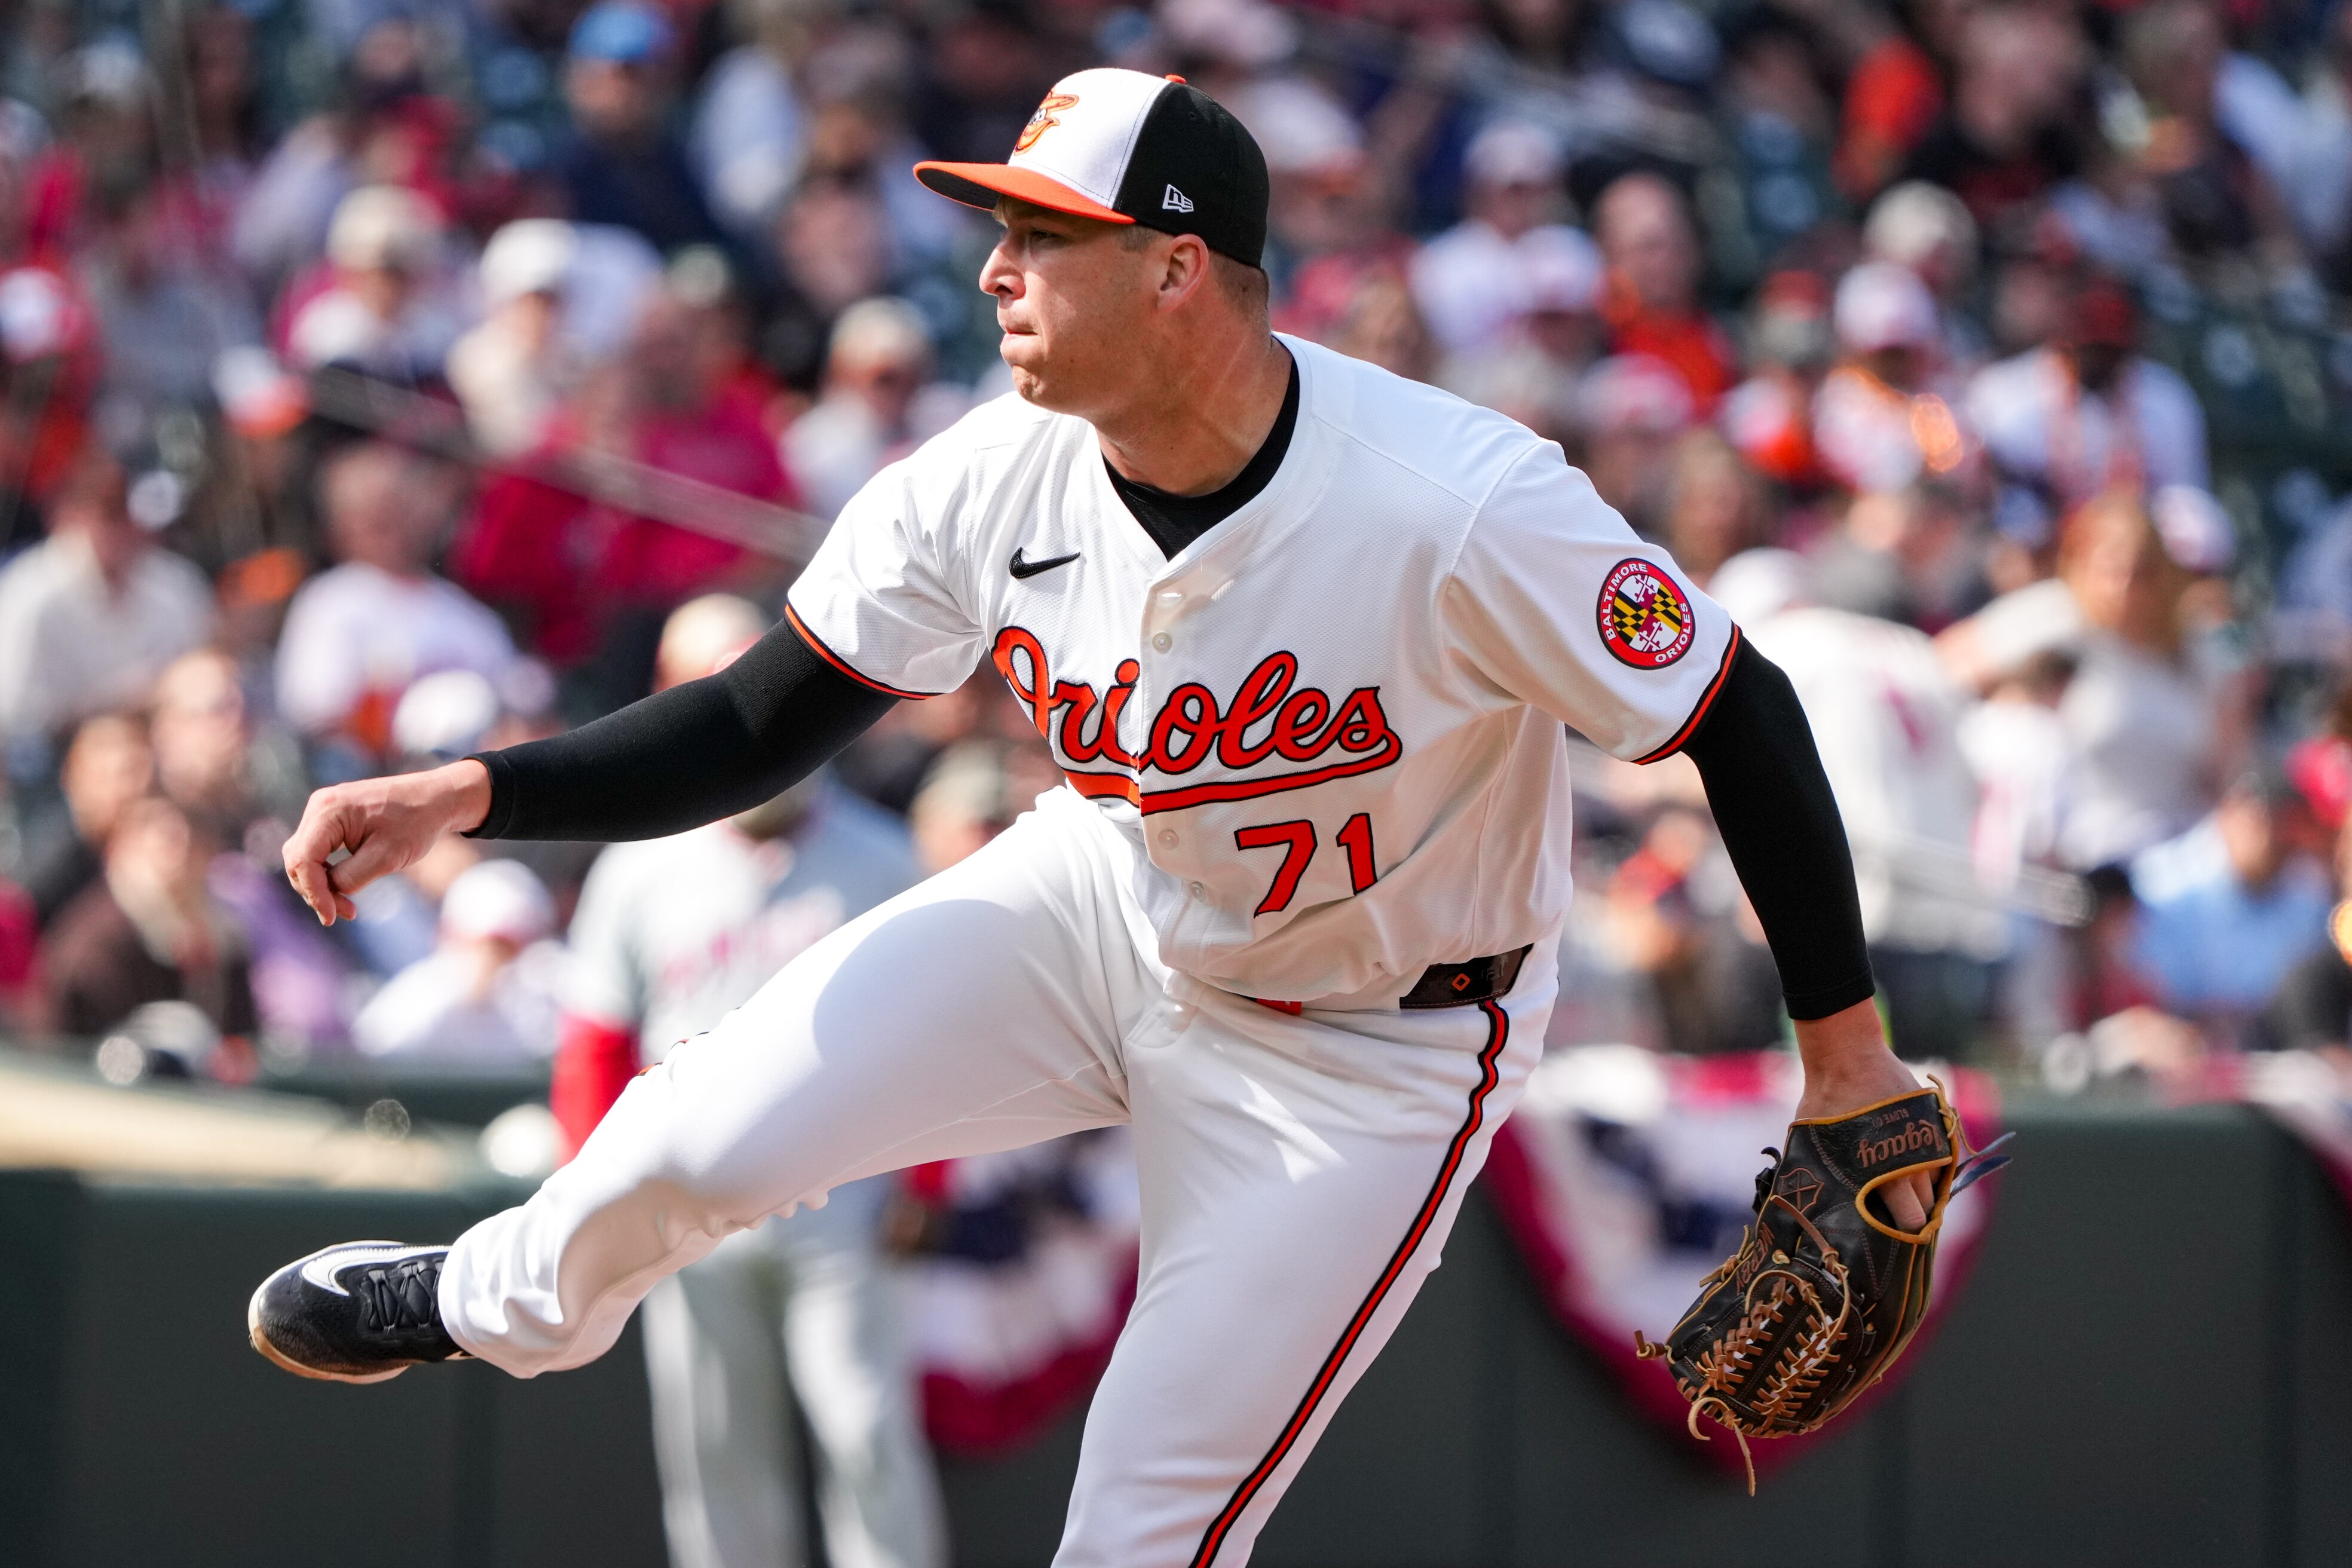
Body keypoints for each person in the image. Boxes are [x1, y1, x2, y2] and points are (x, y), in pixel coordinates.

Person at [251, 71, 1935, 1568]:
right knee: (698, 1131)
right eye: (1001, 232)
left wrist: (1848, 1055)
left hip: (1373, 1046)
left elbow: (1738, 706)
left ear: (1175, 268)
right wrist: (479, 789)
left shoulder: (1462, 499)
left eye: (1041, 236)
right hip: (1103, 902)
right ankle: (492, 1299)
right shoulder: (992, 472)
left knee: (1145, 1531)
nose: (995, 270)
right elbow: (758, 720)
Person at [555, 602, 944, 1568]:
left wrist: (929, 1177)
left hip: (844, 1195)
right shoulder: (640, 867)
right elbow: (594, 1044)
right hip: (688, 1203)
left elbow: (940, 1033)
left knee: (866, 1432)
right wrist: (597, 1190)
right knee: (716, 1448)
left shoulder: (882, 857)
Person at [274, 442, 516, 756]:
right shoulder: (329, 603)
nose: (395, 527)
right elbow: (316, 718)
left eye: (402, 509)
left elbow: (514, 707)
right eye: (376, 516)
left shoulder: (469, 614)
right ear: (339, 529)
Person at [0, 447, 214, 742]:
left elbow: (206, 674)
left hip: (162, 742)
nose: (119, 530)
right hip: (55, 753)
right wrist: (122, 704)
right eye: (107, 515)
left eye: (125, 514)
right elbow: (16, 719)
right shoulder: (31, 595)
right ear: (70, 517)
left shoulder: (175, 582)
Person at [351, 858, 566, 1070]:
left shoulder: (548, 992)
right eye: (490, 944)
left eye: (510, 946)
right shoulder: (423, 998)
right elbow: (367, 1063)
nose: (494, 957)